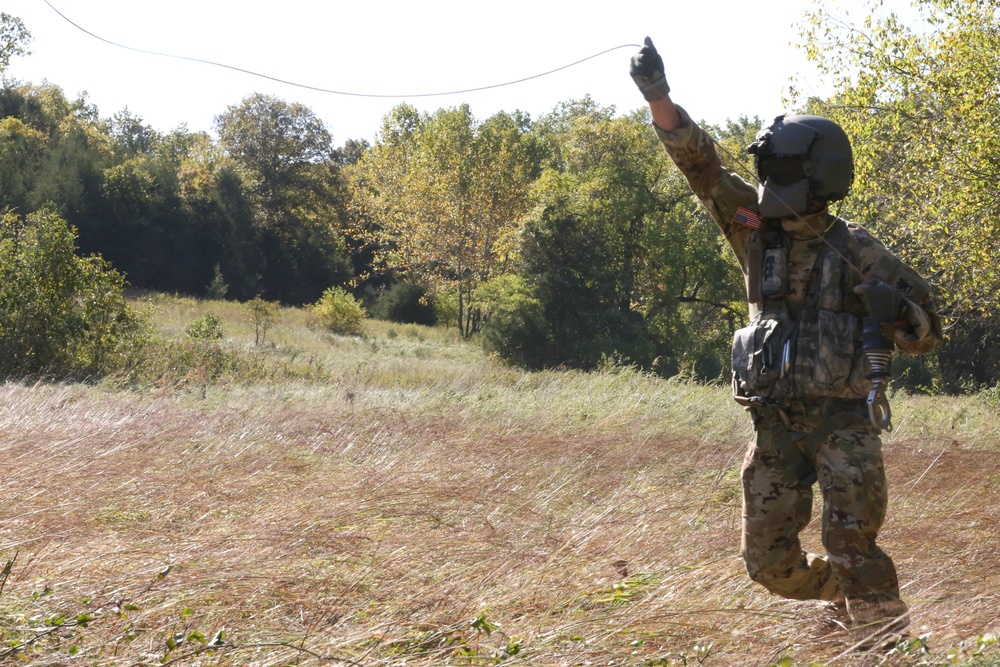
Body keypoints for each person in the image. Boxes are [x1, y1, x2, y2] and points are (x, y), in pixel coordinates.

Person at [629, 37, 942, 647]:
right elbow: (702, 167)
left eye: (781, 169)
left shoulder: (861, 251)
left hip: (842, 424)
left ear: (816, 174)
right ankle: (846, 598)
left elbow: (926, 334)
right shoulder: (754, 231)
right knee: (769, 566)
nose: (768, 180)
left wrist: (897, 309)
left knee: (853, 543)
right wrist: (658, 96)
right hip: (773, 425)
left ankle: (888, 647)